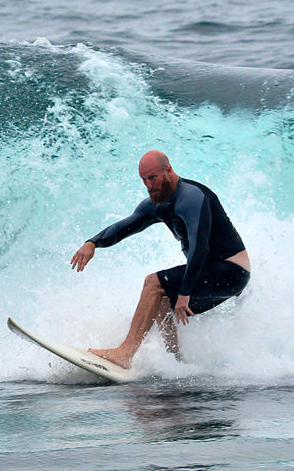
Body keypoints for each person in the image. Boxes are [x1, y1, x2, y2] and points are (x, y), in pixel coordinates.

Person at [70, 150, 250, 368]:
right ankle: (175, 361)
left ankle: (125, 353)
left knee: (153, 283)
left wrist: (185, 292)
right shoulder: (157, 205)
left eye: (152, 177)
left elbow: (200, 246)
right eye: (144, 180)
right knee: (160, 299)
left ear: (169, 170)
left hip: (231, 272)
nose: (148, 185)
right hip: (209, 272)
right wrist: (93, 243)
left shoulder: (192, 197)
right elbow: (125, 227)